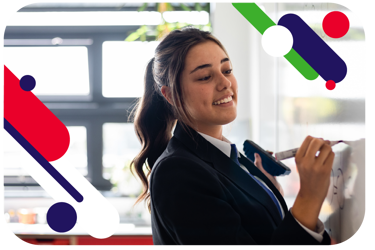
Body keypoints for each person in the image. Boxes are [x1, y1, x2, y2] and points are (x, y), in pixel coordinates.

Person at [129, 26, 334, 247]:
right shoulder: (177, 171)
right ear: (170, 95)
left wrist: (270, 193)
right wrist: (309, 198)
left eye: (227, 70)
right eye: (206, 76)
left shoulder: (230, 159)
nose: (225, 83)